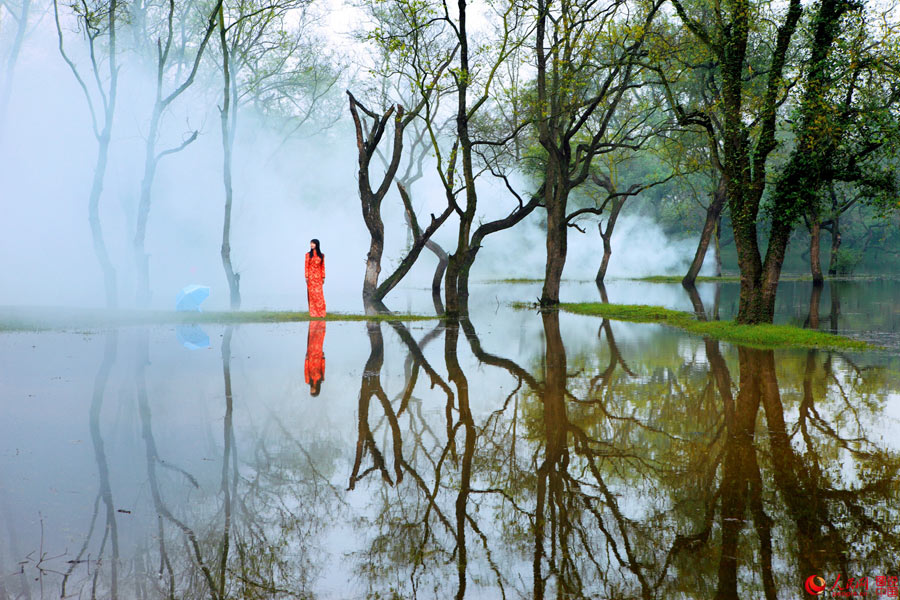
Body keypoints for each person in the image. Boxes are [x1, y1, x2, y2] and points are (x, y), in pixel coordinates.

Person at [305, 239, 326, 318]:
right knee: (312, 294)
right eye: (311, 243)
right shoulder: (307, 255)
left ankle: (321, 313)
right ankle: (313, 313)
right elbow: (306, 266)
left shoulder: (322, 255)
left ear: (317, 244)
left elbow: (323, 266)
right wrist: (306, 276)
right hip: (311, 277)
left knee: (319, 294)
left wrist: (323, 277)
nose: (311, 245)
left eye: (313, 243)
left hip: (319, 277)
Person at [304, 320, 326, 396]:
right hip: (319, 357)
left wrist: (306, 359)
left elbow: (306, 370)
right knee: (319, 340)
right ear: (316, 390)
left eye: (310, 391)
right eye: (312, 391)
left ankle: (313, 323)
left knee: (312, 339)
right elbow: (323, 368)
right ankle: (320, 323)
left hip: (310, 358)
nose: (311, 390)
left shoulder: (308, 381)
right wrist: (323, 358)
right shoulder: (322, 379)